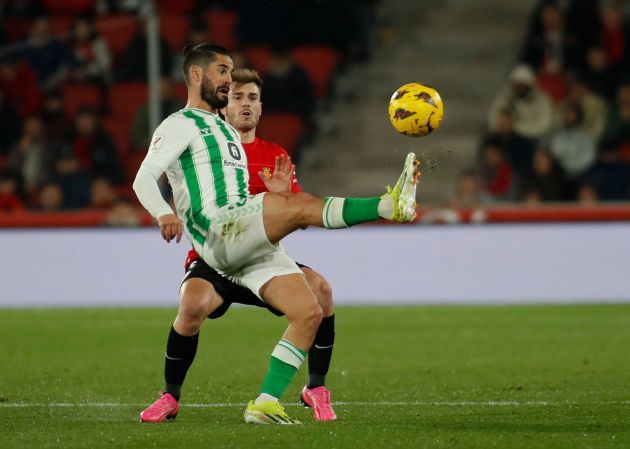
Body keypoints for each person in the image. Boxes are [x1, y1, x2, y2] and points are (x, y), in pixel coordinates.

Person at [132, 43, 418, 425]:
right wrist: (164, 212)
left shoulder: (225, 131)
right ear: (196, 75)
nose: (228, 79)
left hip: (246, 241)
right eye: (222, 71)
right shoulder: (179, 124)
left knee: (309, 310)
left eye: (232, 73)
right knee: (197, 302)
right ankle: (387, 206)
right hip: (219, 231)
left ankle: (265, 402)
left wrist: (276, 201)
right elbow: (143, 178)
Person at [142, 68, 338, 423]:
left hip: (259, 258)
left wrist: (283, 197)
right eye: (237, 97)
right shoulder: (207, 147)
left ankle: (316, 388)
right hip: (214, 258)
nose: (245, 105)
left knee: (321, 292)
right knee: (191, 306)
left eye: (252, 98)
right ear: (223, 107)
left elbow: (297, 218)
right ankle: (170, 396)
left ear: (261, 108)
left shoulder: (276, 155)